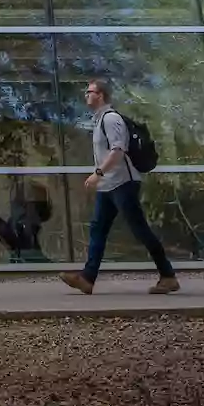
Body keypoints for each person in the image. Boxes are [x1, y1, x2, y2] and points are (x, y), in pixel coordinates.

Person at [61, 76, 179, 294]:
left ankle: (168, 276)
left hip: (123, 183)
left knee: (140, 230)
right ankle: (87, 279)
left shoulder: (111, 119)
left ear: (101, 95)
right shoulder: (98, 121)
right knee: (98, 231)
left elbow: (118, 150)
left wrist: (98, 173)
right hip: (108, 186)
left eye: (90, 92)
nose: (86, 95)